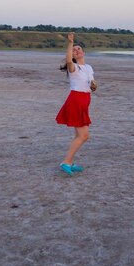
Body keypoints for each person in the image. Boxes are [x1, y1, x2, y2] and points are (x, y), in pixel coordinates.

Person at [56, 32, 97, 176]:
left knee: (78, 135)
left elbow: (92, 84)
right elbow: (68, 60)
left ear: (83, 52)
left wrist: (93, 86)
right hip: (76, 101)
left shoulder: (88, 67)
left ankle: (70, 161)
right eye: (74, 50)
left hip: (85, 101)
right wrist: (70, 43)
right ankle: (66, 162)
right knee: (84, 136)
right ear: (72, 55)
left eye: (79, 48)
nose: (77, 50)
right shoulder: (73, 67)